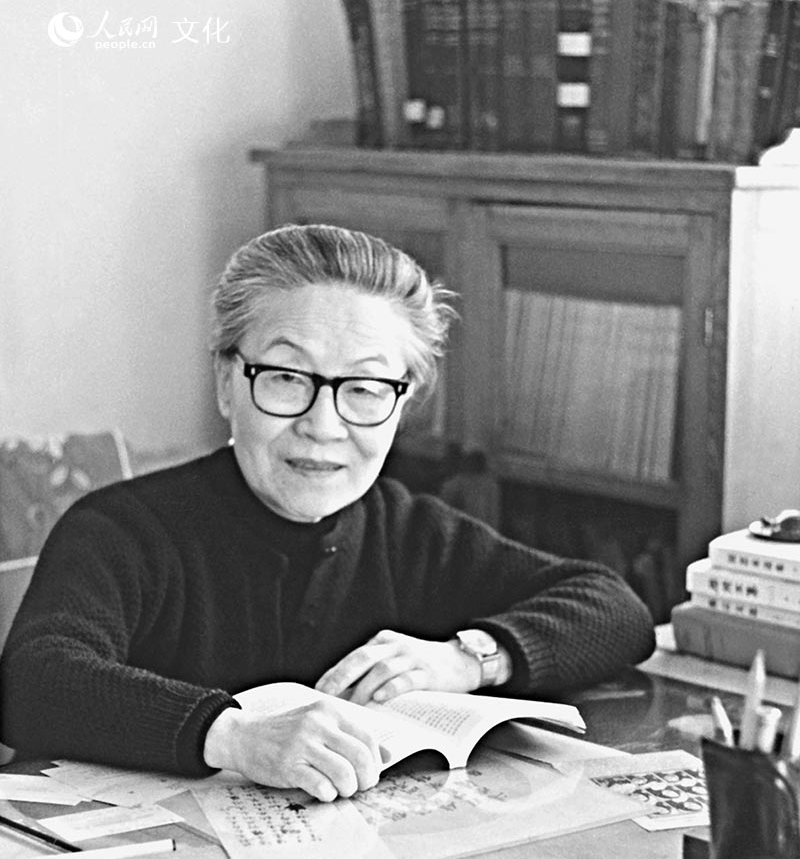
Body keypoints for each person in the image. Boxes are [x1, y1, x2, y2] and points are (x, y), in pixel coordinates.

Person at [0, 224, 655, 802]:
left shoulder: (411, 532)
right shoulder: (121, 531)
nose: (324, 425)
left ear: (402, 403)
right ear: (227, 383)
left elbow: (613, 607)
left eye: (365, 388)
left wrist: (468, 659)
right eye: (288, 378)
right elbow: (32, 683)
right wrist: (232, 736)